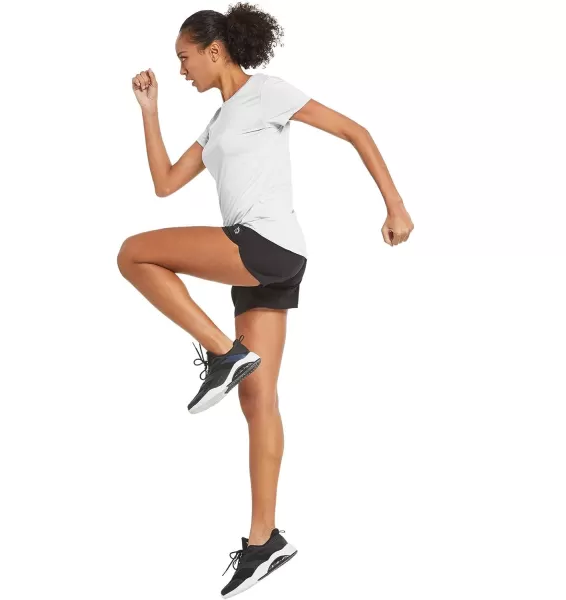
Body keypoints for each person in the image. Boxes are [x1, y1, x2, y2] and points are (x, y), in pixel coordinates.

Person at [119, 3, 414, 598]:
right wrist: (150, 112)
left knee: (133, 254)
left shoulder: (268, 93)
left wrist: (396, 205)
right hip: (260, 264)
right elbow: (165, 183)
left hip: (266, 244)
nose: (181, 71)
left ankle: (224, 353)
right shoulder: (218, 121)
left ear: (215, 51)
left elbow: (355, 131)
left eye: (185, 58)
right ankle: (264, 542)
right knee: (258, 402)